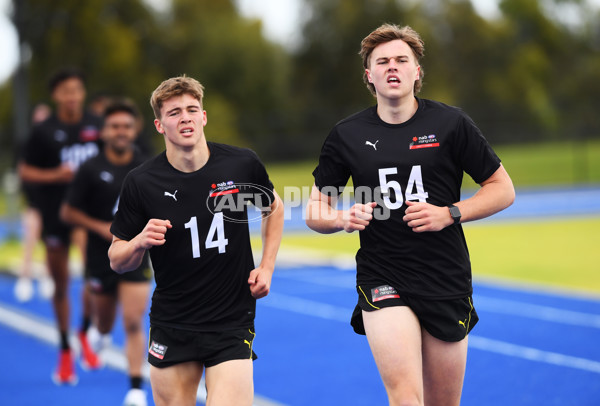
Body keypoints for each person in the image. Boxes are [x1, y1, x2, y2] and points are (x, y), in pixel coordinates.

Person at [305, 24, 515, 406]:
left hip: (445, 276)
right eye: (382, 61)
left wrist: (449, 213)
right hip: (382, 275)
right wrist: (340, 219)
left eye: (402, 59)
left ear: (418, 71)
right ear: (369, 75)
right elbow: (315, 209)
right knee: (404, 396)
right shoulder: (346, 135)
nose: (392, 67)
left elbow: (503, 189)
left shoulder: (451, 124)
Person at [108, 75, 284, 406]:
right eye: (174, 113)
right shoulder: (141, 182)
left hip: (231, 319)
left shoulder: (240, 164)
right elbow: (116, 258)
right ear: (160, 125)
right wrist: (139, 242)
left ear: (203, 117)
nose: (185, 117)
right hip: (173, 322)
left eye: (192, 109)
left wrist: (267, 266)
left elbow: (274, 208)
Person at [61, 101, 152, 406]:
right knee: (104, 321)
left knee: (133, 321)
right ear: (103, 132)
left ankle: (136, 387)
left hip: (137, 253)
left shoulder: (147, 166)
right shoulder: (90, 169)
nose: (121, 132)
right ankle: (98, 334)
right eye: (114, 126)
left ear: (135, 130)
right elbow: (69, 212)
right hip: (101, 257)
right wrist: (99, 226)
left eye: (126, 126)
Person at [18, 67, 103, 385]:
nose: (72, 96)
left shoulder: (96, 125)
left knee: (94, 277)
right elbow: (25, 171)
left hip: (87, 214)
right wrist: (57, 175)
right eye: (66, 91)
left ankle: (84, 332)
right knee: (61, 280)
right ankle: (65, 347)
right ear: (56, 95)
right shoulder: (43, 132)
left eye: (77, 90)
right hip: (55, 214)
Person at [14, 103, 54, 302]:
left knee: (50, 241)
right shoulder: (27, 144)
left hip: (51, 203)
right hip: (33, 201)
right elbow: (22, 171)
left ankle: (47, 276)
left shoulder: (55, 143)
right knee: (30, 240)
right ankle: (25, 278)